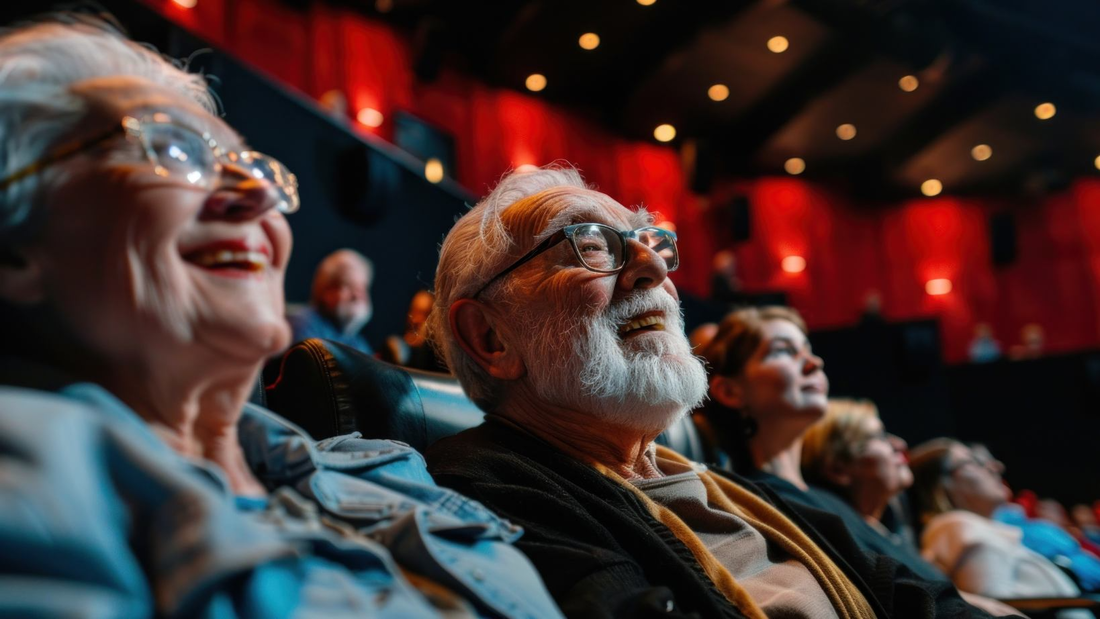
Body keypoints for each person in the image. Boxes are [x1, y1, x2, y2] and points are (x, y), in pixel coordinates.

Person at [0, 15, 561, 618]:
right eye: (173, 149)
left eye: (255, 168)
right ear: (14, 249)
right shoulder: (32, 493)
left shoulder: (383, 466)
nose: (257, 194)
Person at [424, 165, 993, 618]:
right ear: (491, 336)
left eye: (649, 242)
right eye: (591, 244)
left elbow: (922, 600)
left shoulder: (736, 488)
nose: (652, 266)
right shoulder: (481, 492)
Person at [910, 439, 1085, 602]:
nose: (996, 467)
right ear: (942, 484)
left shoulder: (971, 527)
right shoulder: (961, 527)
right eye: (973, 462)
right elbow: (993, 609)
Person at [287, 248, 374, 352]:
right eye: (348, 285)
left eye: (362, 288)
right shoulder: (303, 323)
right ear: (326, 290)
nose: (357, 295)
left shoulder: (358, 342)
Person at [382, 289, 447, 372]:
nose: (416, 320)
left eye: (424, 314)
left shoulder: (439, 358)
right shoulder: (397, 346)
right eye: (414, 311)